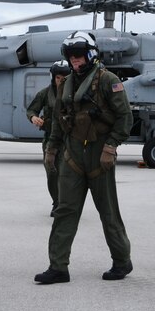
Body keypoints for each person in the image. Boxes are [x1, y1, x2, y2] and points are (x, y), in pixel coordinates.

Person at [34, 31, 133, 284]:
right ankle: (58, 267)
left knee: (108, 212)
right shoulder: (66, 84)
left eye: (78, 55)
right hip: (73, 156)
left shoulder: (107, 80)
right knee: (64, 211)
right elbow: (58, 120)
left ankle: (122, 261)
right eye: (71, 56)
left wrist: (111, 147)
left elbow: (125, 118)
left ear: (90, 54)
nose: (75, 60)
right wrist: (52, 149)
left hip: (100, 156)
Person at [26, 60, 72, 216]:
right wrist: (33, 118)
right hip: (50, 140)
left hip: (69, 140)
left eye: (65, 78)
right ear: (53, 77)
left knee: (66, 173)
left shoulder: (76, 94)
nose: (61, 81)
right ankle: (57, 201)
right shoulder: (45, 93)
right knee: (52, 172)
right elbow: (31, 110)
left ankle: (65, 203)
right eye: (59, 77)